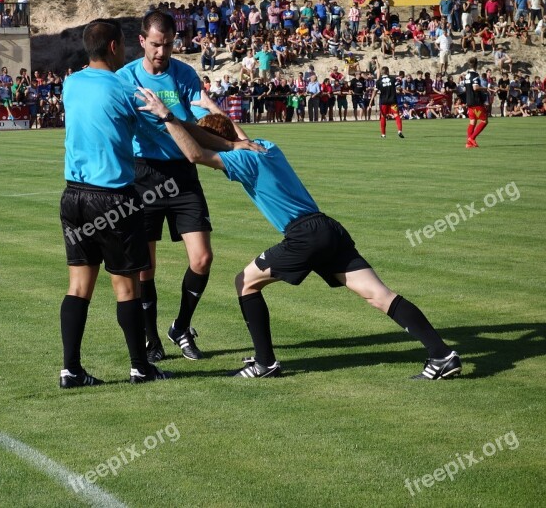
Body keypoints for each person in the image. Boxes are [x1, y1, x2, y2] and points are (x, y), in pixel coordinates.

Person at [135, 88, 462, 381]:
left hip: (304, 236)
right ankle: (441, 354)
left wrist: (166, 116)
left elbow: (195, 154)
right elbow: (236, 135)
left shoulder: (242, 160)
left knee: (244, 282)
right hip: (329, 229)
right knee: (379, 294)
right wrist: (213, 107)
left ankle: (265, 363)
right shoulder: (265, 147)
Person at [116, 11, 259, 363]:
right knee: (145, 267)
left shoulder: (184, 75)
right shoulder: (125, 78)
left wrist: (237, 139)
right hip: (144, 173)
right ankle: (151, 340)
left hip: (183, 171)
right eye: (155, 45)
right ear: (142, 42)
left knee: (203, 257)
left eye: (167, 45)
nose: (161, 52)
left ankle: (180, 326)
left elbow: (206, 119)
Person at [59, 19, 170, 388]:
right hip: (113, 198)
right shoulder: (126, 87)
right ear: (112, 47)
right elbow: (151, 128)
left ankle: (70, 369)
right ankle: (141, 366)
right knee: (127, 287)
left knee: (78, 287)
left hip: (73, 195)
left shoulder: (70, 84)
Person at [370, 66, 405, 138]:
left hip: (384, 101)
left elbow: (374, 91)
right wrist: (401, 90)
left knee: (383, 117)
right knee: (396, 115)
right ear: (388, 72)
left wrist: (371, 102)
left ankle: (383, 134)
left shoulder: (378, 81)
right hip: (393, 101)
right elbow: (398, 87)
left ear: (382, 73)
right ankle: (399, 131)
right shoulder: (393, 79)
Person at [464, 57, 488, 148]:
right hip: (476, 102)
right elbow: (475, 87)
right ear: (476, 64)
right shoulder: (475, 75)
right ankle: (472, 138)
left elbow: (466, 88)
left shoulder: (466, 75)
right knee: (484, 121)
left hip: (469, 101)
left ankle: (468, 143)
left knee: (472, 121)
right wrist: (485, 88)